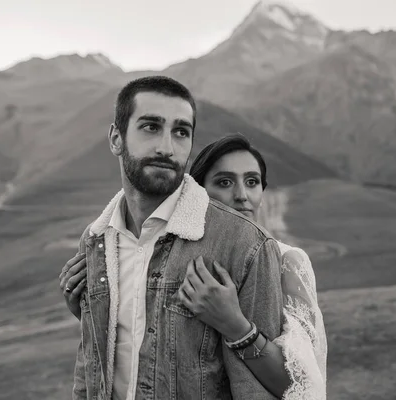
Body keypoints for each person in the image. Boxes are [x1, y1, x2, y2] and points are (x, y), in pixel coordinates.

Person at [59, 76, 284, 400]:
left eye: (181, 132)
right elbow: (90, 365)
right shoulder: (96, 242)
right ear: (116, 138)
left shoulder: (244, 244)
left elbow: (258, 390)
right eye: (151, 127)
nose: (167, 147)